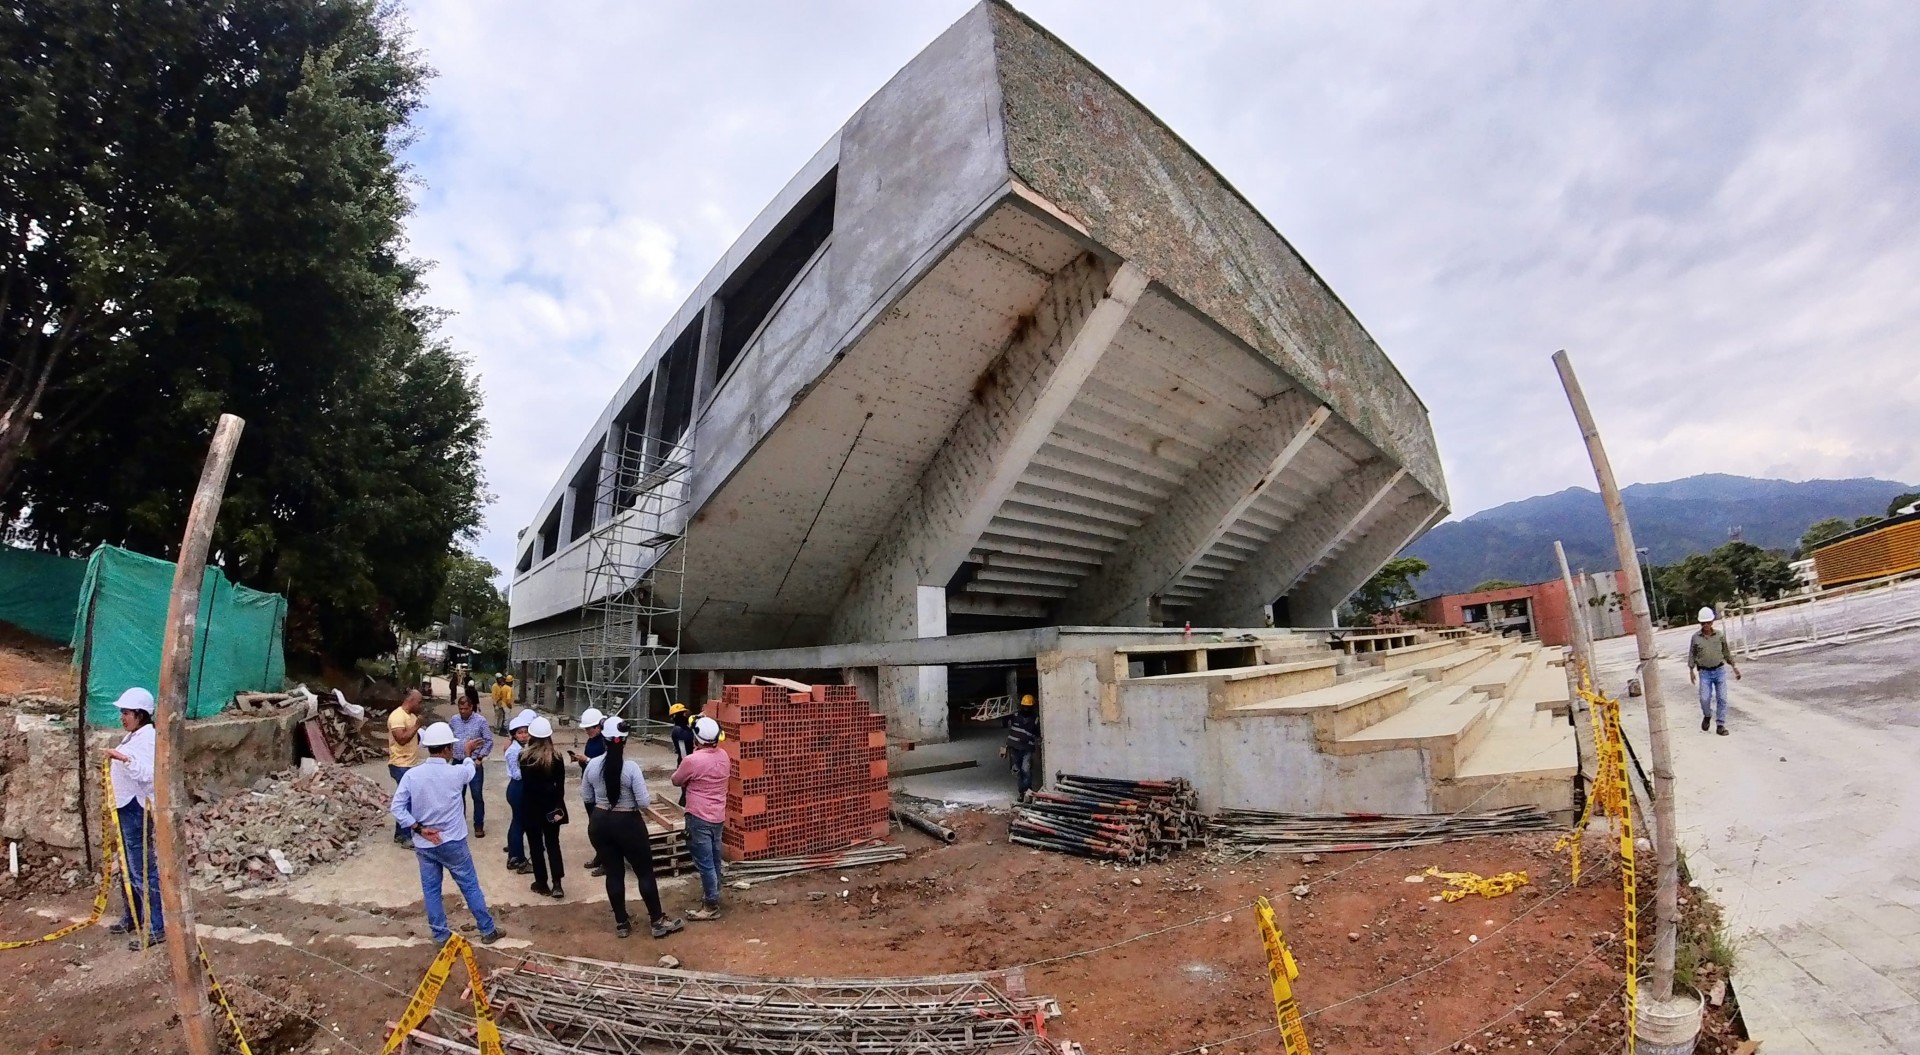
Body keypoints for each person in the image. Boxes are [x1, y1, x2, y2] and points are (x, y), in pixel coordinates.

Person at [391, 722, 502, 945]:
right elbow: (470, 770)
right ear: (447, 749)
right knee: (469, 885)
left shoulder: (413, 775)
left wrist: (418, 828)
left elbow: (397, 808)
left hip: (425, 843)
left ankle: (441, 935)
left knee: (432, 891)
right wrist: (468, 753)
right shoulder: (456, 773)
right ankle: (487, 929)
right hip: (453, 841)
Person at [583, 717, 684, 939]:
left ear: (604, 739)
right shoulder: (630, 768)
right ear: (625, 740)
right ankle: (657, 921)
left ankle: (621, 923)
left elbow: (587, 796)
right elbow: (644, 802)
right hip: (628, 823)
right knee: (644, 872)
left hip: (599, 822)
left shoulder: (592, 765)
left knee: (613, 873)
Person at [105, 687, 164, 950]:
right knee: (127, 868)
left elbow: (150, 775)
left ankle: (156, 926)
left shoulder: (148, 739)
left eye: (126, 713)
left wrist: (124, 759)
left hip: (136, 809)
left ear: (140, 714)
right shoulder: (134, 736)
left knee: (142, 869)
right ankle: (134, 916)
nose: (122, 718)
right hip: (125, 807)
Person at [669, 715, 730, 921]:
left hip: (699, 816)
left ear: (697, 738)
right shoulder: (724, 756)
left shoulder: (692, 760)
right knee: (714, 858)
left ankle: (711, 904)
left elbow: (676, 780)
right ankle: (714, 893)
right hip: (718, 816)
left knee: (705, 862)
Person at [519, 717, 569, 899]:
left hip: (531, 807)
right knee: (553, 844)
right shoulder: (557, 758)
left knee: (535, 846)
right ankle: (557, 883)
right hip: (551, 807)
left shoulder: (524, 758)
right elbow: (560, 787)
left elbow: (527, 785)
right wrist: (557, 805)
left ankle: (541, 882)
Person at [1688, 607, 1742, 736]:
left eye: (1708, 623)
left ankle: (1720, 725)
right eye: (1703, 623)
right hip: (1704, 672)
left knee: (1722, 698)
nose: (1706, 625)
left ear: (1712, 622)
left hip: (1719, 670)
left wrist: (1734, 667)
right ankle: (1707, 715)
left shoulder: (1719, 636)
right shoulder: (1696, 638)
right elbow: (1692, 654)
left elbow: (1726, 652)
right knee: (1704, 698)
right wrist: (1691, 670)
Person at [449, 685, 495, 837]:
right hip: (457, 762)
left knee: (476, 795)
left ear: (471, 707)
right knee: (457, 795)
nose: (463, 711)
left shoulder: (480, 721)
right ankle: (459, 824)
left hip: (475, 763)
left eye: (465, 709)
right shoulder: (454, 720)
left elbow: (489, 741)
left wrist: (480, 757)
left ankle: (478, 825)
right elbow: (448, 738)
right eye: (460, 709)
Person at [568, 707, 608, 876]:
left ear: (598, 726)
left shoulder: (605, 742)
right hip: (589, 787)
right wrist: (581, 760)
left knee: (601, 827)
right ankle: (600, 856)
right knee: (593, 826)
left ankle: (607, 862)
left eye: (589, 729)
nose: (587, 732)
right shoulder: (592, 741)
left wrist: (588, 760)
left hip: (600, 790)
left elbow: (605, 764)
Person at [386, 690, 425, 844]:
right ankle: (406, 836)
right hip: (400, 764)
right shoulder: (397, 716)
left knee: (407, 800)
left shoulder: (412, 716)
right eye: (419, 702)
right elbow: (401, 739)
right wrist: (417, 726)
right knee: (407, 801)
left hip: (410, 764)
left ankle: (400, 834)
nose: (421, 705)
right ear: (411, 700)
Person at [503, 709, 536, 874]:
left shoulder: (523, 748)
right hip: (518, 788)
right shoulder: (514, 751)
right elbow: (516, 774)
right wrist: (532, 769)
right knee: (519, 823)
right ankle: (519, 860)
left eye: (525, 732)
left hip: (521, 788)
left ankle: (514, 856)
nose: (523, 736)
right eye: (520, 733)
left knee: (517, 822)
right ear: (514, 735)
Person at [1002, 694, 1041, 797]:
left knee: (1026, 770)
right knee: (1019, 771)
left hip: (1027, 749)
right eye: (1024, 707)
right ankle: (1022, 792)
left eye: (1028, 707)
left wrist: (1038, 750)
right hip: (1014, 747)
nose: (1026, 709)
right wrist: (1004, 711)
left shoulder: (1035, 719)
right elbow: (1005, 721)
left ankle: (1027, 791)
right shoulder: (1015, 716)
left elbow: (1038, 735)